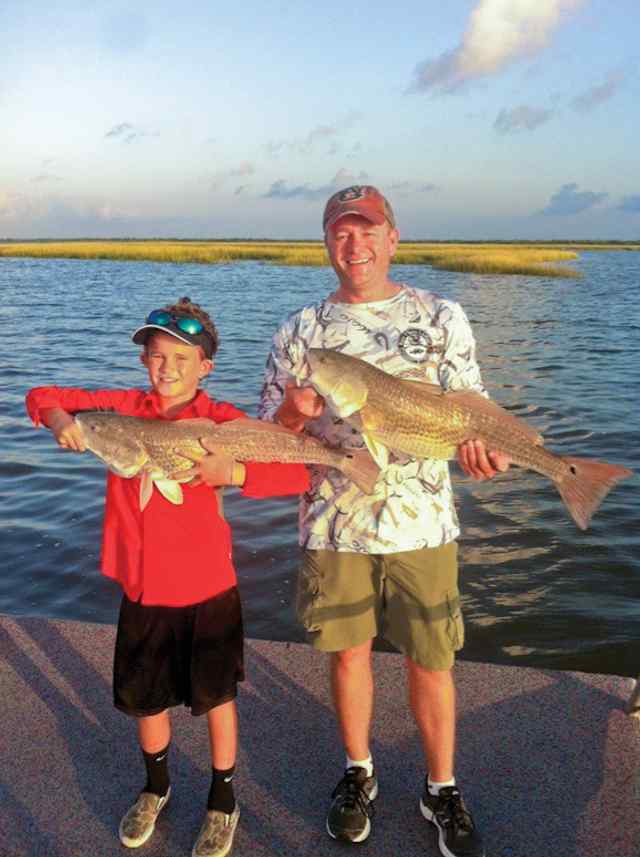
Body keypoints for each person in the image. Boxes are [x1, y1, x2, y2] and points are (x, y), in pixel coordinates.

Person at [259, 186, 510, 857]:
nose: (356, 245)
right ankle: (358, 772)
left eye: (368, 230)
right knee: (348, 654)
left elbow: (474, 407)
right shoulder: (299, 331)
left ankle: (441, 785)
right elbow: (269, 433)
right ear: (326, 243)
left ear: (393, 237)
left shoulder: (441, 315)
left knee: (433, 659)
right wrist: (292, 411)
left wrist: (490, 452)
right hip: (332, 527)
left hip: (423, 525)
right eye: (342, 233)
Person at [26, 297, 309, 857]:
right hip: (141, 585)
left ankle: (223, 799)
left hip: (208, 586)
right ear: (144, 362)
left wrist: (237, 471)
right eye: (156, 355)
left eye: (182, 356)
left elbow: (296, 472)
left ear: (206, 365)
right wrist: (60, 420)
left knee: (216, 697)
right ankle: (156, 787)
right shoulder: (122, 408)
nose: (167, 367)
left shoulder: (224, 420)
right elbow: (44, 395)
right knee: (146, 699)